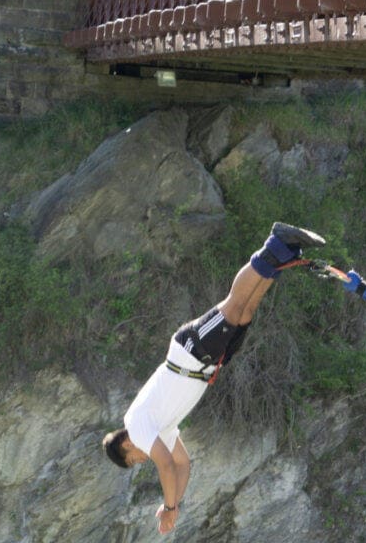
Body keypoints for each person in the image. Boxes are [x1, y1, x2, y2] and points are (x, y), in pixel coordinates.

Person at [101, 222, 325, 535]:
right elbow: (183, 464)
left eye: (134, 461)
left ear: (125, 445)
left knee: (234, 306)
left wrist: (167, 509)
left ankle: (276, 241)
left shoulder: (137, 426)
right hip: (205, 362)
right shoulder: (157, 429)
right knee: (246, 311)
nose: (141, 461)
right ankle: (285, 253)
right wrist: (175, 505)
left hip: (189, 350)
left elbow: (166, 465)